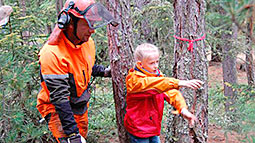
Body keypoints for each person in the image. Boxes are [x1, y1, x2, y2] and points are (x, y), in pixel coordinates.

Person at [36, 0, 117, 142]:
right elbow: (60, 99)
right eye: (88, 24)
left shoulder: (86, 42)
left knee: (82, 136)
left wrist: (104, 72)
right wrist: (72, 135)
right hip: (58, 110)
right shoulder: (52, 54)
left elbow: (84, 66)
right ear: (70, 23)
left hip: (79, 105)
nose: (92, 30)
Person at [124, 43, 203, 143]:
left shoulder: (157, 76)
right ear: (140, 64)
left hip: (153, 128)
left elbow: (171, 93)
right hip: (139, 129)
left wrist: (183, 109)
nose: (156, 66)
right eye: (151, 63)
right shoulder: (134, 81)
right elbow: (153, 84)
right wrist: (179, 82)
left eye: (157, 62)